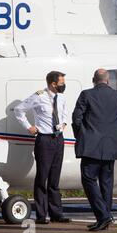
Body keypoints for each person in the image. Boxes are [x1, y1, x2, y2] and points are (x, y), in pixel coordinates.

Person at [72, 69, 117, 231]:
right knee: (106, 183)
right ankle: (104, 216)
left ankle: (104, 216)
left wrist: (82, 136)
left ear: (94, 80)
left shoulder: (86, 95)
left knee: (88, 179)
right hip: (111, 146)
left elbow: (76, 118)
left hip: (91, 146)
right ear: (108, 81)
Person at [14, 71, 71, 224]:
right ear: (53, 84)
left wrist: (64, 123)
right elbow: (19, 110)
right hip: (44, 140)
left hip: (58, 139)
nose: (63, 85)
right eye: (61, 83)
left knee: (54, 179)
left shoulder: (62, 97)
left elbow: (64, 113)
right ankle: (41, 215)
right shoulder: (39, 96)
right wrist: (28, 127)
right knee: (42, 177)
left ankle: (56, 213)